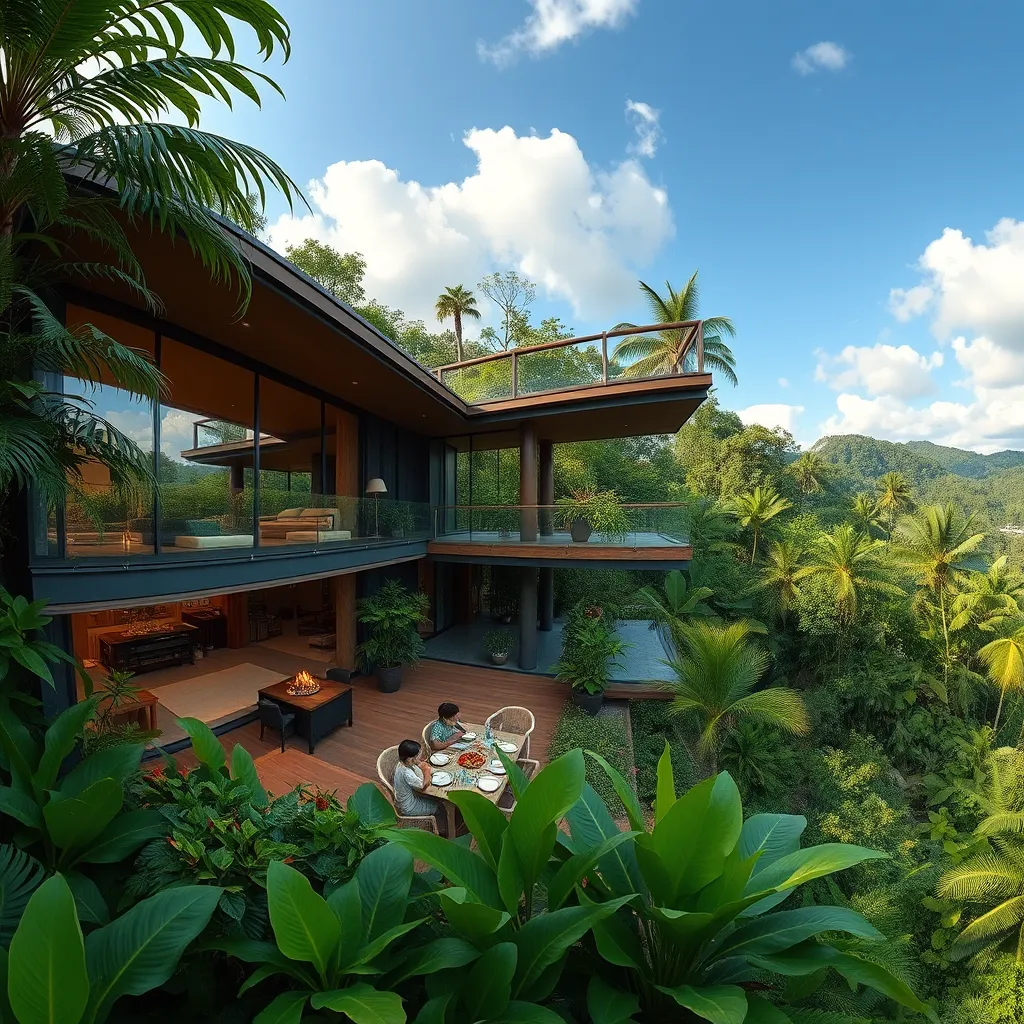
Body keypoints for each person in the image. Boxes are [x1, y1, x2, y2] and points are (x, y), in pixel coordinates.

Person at [392, 739, 446, 834]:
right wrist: (426, 770)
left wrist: (419, 763)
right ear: (409, 759)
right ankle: (441, 831)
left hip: (409, 796)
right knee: (440, 806)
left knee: (436, 798)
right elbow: (423, 786)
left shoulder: (402, 763)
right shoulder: (406, 772)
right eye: (417, 756)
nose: (419, 757)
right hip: (409, 806)